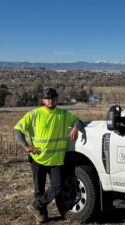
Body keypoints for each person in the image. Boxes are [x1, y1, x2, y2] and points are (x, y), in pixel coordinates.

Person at [14, 88, 84, 224]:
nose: (50, 100)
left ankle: (36, 206)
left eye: (53, 98)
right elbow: (18, 129)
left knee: (57, 186)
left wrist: (75, 128)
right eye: (48, 98)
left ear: (57, 99)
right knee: (38, 190)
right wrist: (27, 146)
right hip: (37, 158)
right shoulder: (34, 114)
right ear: (43, 100)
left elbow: (78, 121)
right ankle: (41, 216)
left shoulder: (63, 114)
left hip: (56, 159)